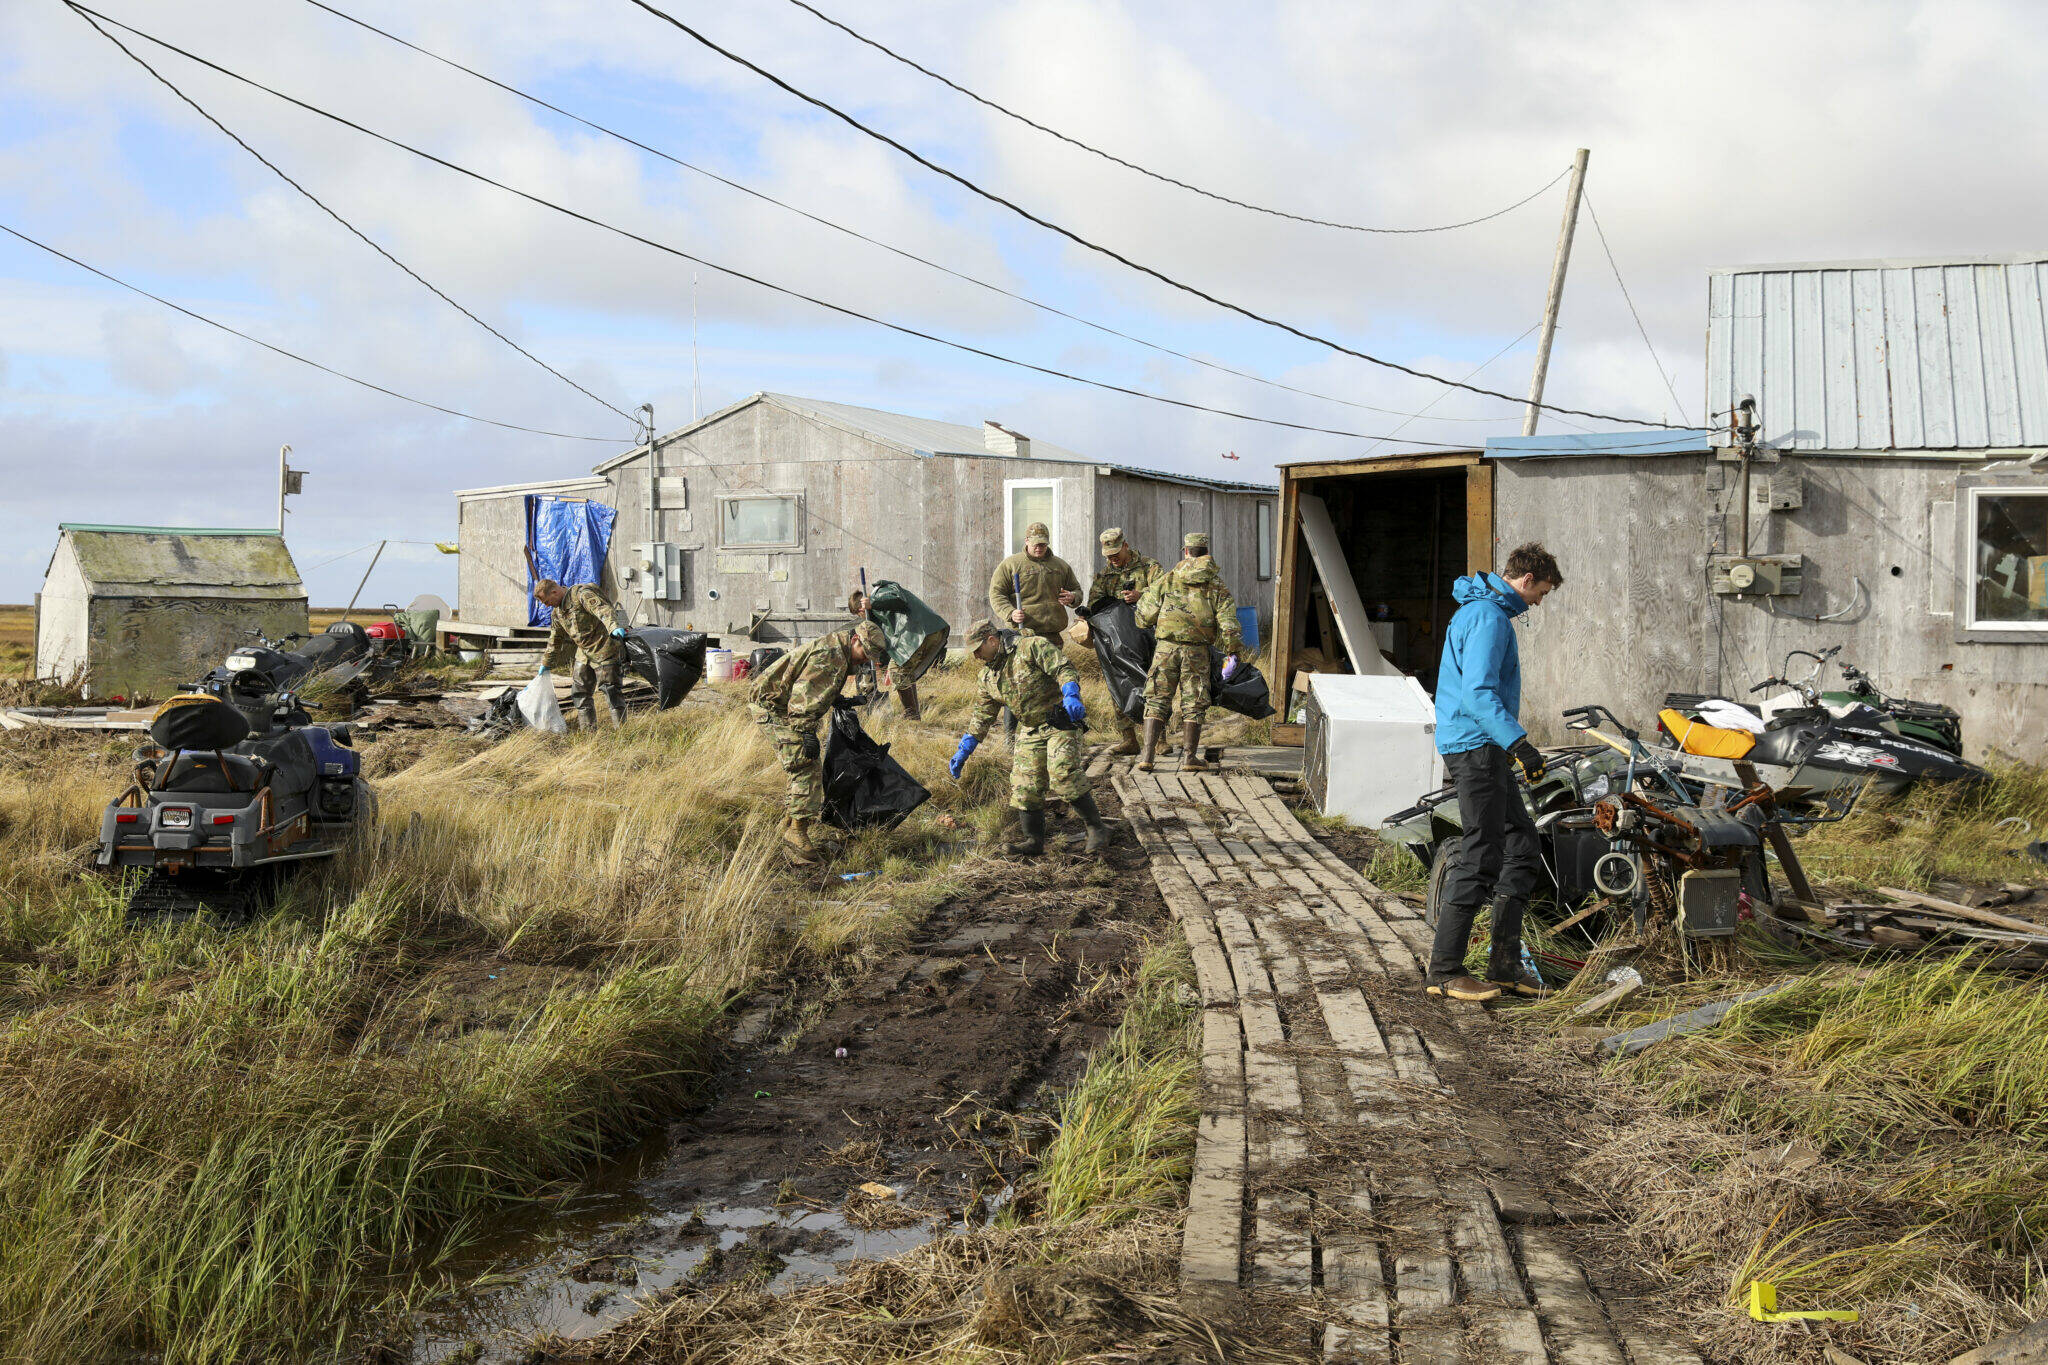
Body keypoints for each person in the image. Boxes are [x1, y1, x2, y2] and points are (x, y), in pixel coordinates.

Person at [1425, 542, 1563, 1003]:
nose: (1540, 602)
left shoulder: (1484, 613)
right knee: (1481, 853)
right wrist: (1519, 743)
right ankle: (1445, 970)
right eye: (1541, 592)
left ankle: (1503, 965)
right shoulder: (1488, 617)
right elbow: (1479, 693)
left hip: (1482, 745)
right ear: (1526, 581)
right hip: (1475, 745)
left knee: (1522, 846)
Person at [948, 618, 1111, 857]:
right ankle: (1033, 841)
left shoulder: (1031, 647)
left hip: (1059, 720)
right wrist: (965, 748)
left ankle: (1097, 828)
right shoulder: (987, 676)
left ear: (992, 641)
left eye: (978, 650)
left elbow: (1063, 668)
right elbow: (983, 714)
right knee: (1025, 785)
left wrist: (1071, 693)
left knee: (1063, 773)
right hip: (1030, 728)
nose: (976, 657)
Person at [750, 619, 888, 865]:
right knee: (806, 767)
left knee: (803, 765)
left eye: (870, 656)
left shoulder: (841, 651)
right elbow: (803, 696)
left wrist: (837, 700)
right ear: (855, 639)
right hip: (773, 707)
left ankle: (788, 822)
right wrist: (806, 733)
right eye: (864, 652)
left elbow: (818, 686)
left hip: (782, 705)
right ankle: (796, 835)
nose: (864, 658)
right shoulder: (831, 654)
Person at [1133, 532, 1242, 774]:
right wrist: (1232, 652)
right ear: (1206, 551)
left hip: (1165, 648)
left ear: (1185, 551)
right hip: (1197, 651)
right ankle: (1190, 758)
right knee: (1194, 700)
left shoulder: (1168, 579)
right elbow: (1229, 624)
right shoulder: (1216, 584)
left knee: (1157, 698)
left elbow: (1144, 615)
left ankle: (1147, 756)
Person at [1080, 527, 1164, 756]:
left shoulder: (1149, 567)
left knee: (1153, 685)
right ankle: (1129, 739)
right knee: (1118, 686)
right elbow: (1095, 602)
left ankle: (1159, 739)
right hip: (1117, 643)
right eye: (1108, 556)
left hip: (1148, 637)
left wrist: (1141, 596)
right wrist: (1084, 613)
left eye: (1116, 553)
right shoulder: (1104, 576)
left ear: (1126, 546)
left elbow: (1166, 594)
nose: (1113, 559)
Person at [535, 579, 628, 729]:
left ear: (554, 592)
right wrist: (545, 664)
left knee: (611, 692)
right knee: (579, 693)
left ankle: (623, 732)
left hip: (604, 648)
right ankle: (588, 732)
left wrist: (614, 627)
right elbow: (555, 640)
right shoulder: (557, 613)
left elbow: (602, 609)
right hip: (584, 654)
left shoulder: (581, 595)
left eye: (546, 601)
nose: (546, 605)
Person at [987, 522, 1082, 643]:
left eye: (1043, 544)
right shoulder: (1011, 564)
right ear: (1026, 541)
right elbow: (996, 594)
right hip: (1022, 635)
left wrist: (1073, 597)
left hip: (1053, 636)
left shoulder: (1060, 566)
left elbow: (1077, 590)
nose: (1039, 548)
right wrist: (1010, 613)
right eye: (1035, 544)